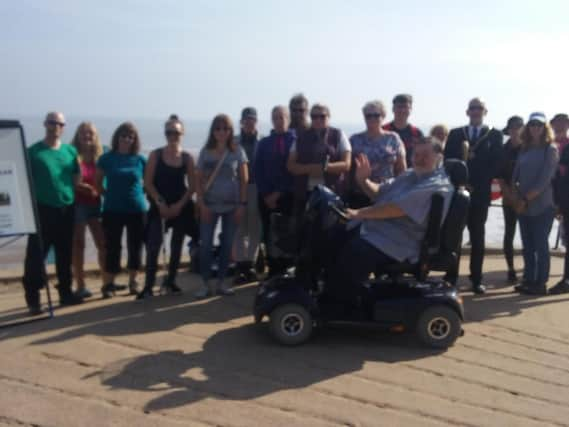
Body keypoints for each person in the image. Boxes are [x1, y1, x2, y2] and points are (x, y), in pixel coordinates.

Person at [328, 137, 453, 303]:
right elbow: (379, 192)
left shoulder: (437, 184)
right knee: (333, 237)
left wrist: (359, 213)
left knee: (354, 253)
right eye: (416, 154)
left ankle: (342, 304)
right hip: (382, 232)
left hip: (400, 242)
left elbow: (396, 209)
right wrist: (363, 180)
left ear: (439, 157)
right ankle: (332, 292)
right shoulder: (410, 174)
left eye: (425, 155)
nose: (419, 159)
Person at [22, 112, 84, 314]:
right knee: (36, 255)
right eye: (51, 122)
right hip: (42, 210)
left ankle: (65, 293)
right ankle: (33, 298)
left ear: (63, 127)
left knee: (65, 254)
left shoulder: (70, 151)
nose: (55, 126)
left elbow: (76, 178)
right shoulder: (33, 152)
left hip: (66, 209)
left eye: (59, 123)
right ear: (45, 124)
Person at [444, 97, 504, 294]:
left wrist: (475, 184)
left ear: (485, 112)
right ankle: (451, 276)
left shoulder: (494, 135)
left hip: (480, 194)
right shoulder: (455, 134)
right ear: (467, 112)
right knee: (454, 237)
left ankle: (476, 279)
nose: (476, 111)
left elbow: (497, 164)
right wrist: (462, 183)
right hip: (458, 193)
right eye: (472, 108)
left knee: (478, 237)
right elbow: (448, 162)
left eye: (479, 108)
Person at [136, 115, 197, 300]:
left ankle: (170, 281)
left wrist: (179, 206)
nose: (173, 136)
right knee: (153, 246)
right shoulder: (156, 155)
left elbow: (192, 186)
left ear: (182, 133)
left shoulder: (187, 158)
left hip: (180, 206)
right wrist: (160, 203)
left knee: (176, 246)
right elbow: (148, 183)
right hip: (159, 206)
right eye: (169, 132)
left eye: (176, 132)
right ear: (165, 134)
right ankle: (148, 286)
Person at [195, 114, 248, 298]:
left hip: (232, 206)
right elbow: (198, 179)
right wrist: (202, 204)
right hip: (209, 205)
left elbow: (244, 179)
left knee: (227, 245)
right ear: (213, 131)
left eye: (225, 129)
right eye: (218, 128)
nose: (221, 132)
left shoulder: (237, 151)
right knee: (206, 245)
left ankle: (222, 282)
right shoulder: (205, 152)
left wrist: (242, 204)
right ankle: (205, 283)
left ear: (230, 131)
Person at [96, 122, 147, 298]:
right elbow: (98, 184)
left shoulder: (140, 160)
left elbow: (149, 182)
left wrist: (145, 196)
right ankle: (109, 284)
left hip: (136, 209)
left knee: (135, 247)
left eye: (130, 137)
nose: (126, 139)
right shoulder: (106, 159)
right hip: (112, 210)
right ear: (117, 137)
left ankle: (134, 281)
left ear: (135, 140)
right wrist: (108, 196)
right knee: (112, 247)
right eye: (123, 136)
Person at [512, 112, 558, 295]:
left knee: (540, 245)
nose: (535, 128)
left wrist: (525, 199)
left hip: (543, 206)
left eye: (539, 125)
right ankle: (529, 279)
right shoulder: (524, 148)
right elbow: (516, 174)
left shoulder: (550, 149)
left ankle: (541, 283)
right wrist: (516, 196)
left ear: (544, 127)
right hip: (524, 206)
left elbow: (545, 179)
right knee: (527, 245)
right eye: (532, 125)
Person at [255, 106, 296, 277]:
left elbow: (293, 171)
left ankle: (286, 268)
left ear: (288, 118)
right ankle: (272, 268)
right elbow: (258, 170)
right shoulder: (264, 143)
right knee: (269, 232)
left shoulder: (296, 140)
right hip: (266, 197)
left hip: (288, 195)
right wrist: (266, 194)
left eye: (282, 117)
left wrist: (279, 192)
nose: (279, 121)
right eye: (276, 117)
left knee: (286, 232)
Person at [287, 103, 352, 213]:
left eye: (322, 116)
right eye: (314, 117)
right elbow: (290, 165)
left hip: (332, 193)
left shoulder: (338, 135)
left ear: (328, 117)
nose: (318, 119)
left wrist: (326, 167)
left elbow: (347, 164)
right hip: (305, 193)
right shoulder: (301, 137)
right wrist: (311, 168)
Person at [348, 100, 406, 208]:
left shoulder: (393, 138)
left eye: (376, 115)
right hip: (360, 194)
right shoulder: (354, 140)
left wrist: (401, 191)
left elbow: (401, 169)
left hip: (387, 193)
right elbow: (348, 169)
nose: (372, 119)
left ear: (383, 116)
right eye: (368, 116)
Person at [71, 122, 106, 299]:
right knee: (79, 245)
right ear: (78, 135)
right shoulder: (72, 154)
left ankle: (106, 282)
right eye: (83, 132)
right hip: (78, 204)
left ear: (95, 135)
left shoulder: (101, 155)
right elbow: (72, 182)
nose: (87, 135)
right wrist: (89, 188)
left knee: (103, 243)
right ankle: (81, 285)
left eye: (90, 133)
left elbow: (107, 180)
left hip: (97, 204)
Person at [233, 107, 262, 284]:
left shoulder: (263, 141)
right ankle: (240, 266)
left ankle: (250, 264)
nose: (249, 122)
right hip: (237, 188)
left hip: (256, 188)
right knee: (239, 228)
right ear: (242, 121)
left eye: (252, 119)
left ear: (256, 121)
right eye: (246, 119)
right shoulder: (234, 142)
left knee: (255, 229)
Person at [497, 116, 524, 283]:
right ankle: (511, 268)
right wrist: (508, 194)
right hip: (508, 197)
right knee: (509, 234)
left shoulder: (528, 148)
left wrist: (521, 195)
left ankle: (529, 267)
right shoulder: (503, 149)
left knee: (528, 236)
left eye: (518, 126)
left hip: (526, 197)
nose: (515, 130)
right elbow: (499, 175)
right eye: (512, 127)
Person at [550, 113, 569, 294]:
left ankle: (566, 280)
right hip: (553, 196)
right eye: (557, 123)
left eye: (564, 123)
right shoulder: (547, 144)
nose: (561, 126)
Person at [382, 94, 424, 166]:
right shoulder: (383, 130)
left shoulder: (417, 133)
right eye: (399, 107)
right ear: (393, 109)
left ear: (410, 109)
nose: (402, 110)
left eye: (405, 107)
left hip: (412, 173)